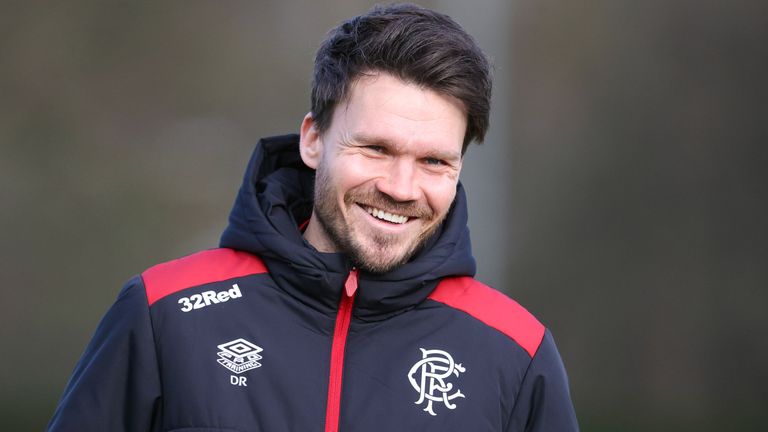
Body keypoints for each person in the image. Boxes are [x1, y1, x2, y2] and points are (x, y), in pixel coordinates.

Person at [48, 4, 578, 431]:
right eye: (374, 148)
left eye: (434, 161)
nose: (400, 187)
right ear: (313, 139)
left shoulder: (517, 352)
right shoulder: (164, 313)